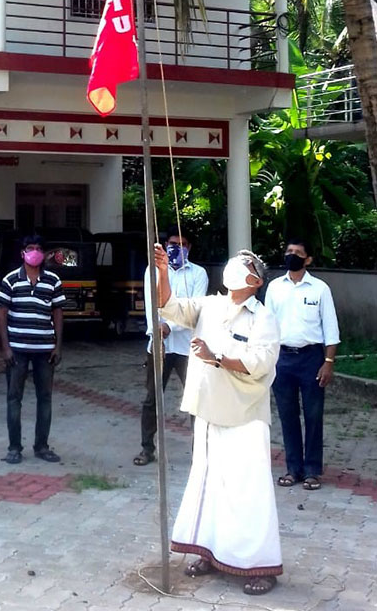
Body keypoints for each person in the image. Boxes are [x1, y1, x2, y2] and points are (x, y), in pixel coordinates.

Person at [155, 245, 282, 596]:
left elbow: (260, 362)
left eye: (243, 265)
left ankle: (260, 565)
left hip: (244, 416)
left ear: (255, 280)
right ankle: (211, 553)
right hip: (209, 412)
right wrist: (164, 272)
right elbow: (170, 307)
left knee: (247, 491)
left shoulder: (263, 318)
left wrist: (217, 358)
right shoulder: (210, 305)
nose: (233, 267)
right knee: (209, 486)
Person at [266, 238, 340, 491]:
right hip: (282, 359)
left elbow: (331, 329)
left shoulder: (320, 289)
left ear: (308, 259)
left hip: (311, 359)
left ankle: (312, 471)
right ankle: (293, 469)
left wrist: (328, 362)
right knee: (287, 416)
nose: (292, 255)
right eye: (289, 251)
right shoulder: (274, 287)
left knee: (313, 415)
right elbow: (267, 327)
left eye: (298, 252)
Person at [134, 226, 208, 466]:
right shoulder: (151, 271)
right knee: (152, 399)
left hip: (189, 346)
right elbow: (150, 306)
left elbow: (193, 309)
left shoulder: (198, 274)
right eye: (172, 244)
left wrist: (169, 326)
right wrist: (158, 329)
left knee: (196, 399)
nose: (176, 249)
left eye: (182, 245)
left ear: (189, 248)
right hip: (160, 343)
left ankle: (201, 452)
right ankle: (147, 449)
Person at [0, 234, 65, 464]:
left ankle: (42, 446)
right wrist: (5, 348)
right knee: (14, 398)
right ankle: (14, 447)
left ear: (44, 253)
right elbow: (2, 313)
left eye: (38, 248)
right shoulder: (10, 280)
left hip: (45, 349)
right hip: (17, 350)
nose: (34, 251)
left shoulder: (53, 280)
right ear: (22, 253)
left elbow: (57, 313)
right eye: (30, 248)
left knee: (45, 398)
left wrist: (58, 344)